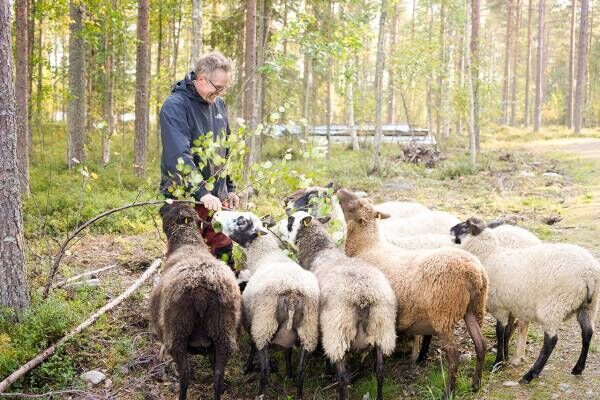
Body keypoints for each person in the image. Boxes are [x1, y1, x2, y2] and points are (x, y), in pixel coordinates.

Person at [159, 51, 239, 268]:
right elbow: (178, 156)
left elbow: (225, 149)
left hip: (216, 201)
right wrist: (202, 193)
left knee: (223, 258)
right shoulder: (175, 106)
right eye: (218, 87)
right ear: (201, 79)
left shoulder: (219, 105)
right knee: (187, 263)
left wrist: (229, 187)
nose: (220, 93)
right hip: (185, 199)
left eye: (224, 88)